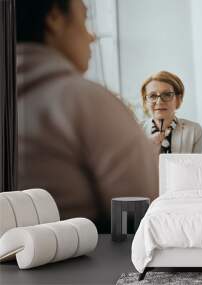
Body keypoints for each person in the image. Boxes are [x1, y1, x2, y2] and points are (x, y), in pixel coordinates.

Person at [16, 0, 158, 233]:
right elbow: (140, 221)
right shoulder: (86, 102)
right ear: (54, 18)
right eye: (85, 19)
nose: (92, 37)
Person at [140, 71, 202, 153]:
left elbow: (196, 165)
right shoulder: (135, 131)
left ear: (178, 99)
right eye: (152, 96)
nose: (159, 102)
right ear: (145, 102)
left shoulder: (194, 131)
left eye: (167, 94)